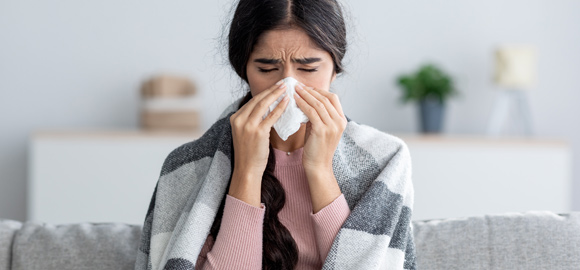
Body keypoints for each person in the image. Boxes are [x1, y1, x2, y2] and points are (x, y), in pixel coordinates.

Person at [135, 0, 416, 269]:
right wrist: (246, 171)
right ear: (244, 70)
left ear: (334, 70)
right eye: (267, 69)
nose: (287, 86)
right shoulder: (187, 167)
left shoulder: (385, 160)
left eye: (308, 68)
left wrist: (320, 170)